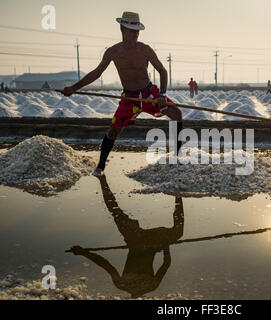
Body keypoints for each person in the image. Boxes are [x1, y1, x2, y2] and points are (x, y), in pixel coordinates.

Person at [61, 12, 183, 176]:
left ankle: (177, 158)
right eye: (132, 31)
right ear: (122, 30)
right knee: (113, 131)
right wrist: (74, 87)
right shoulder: (113, 52)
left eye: (137, 31)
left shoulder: (145, 49)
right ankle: (100, 167)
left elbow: (162, 71)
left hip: (149, 95)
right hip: (129, 98)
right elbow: (96, 73)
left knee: (177, 113)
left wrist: (162, 94)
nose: (135, 34)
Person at [68, 175, 184, 298]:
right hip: (148, 242)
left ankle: (103, 181)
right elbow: (166, 263)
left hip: (137, 240)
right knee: (177, 232)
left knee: (116, 213)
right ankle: (178, 193)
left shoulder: (128, 285)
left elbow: (105, 264)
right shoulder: (145, 285)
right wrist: (165, 246)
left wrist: (84, 253)